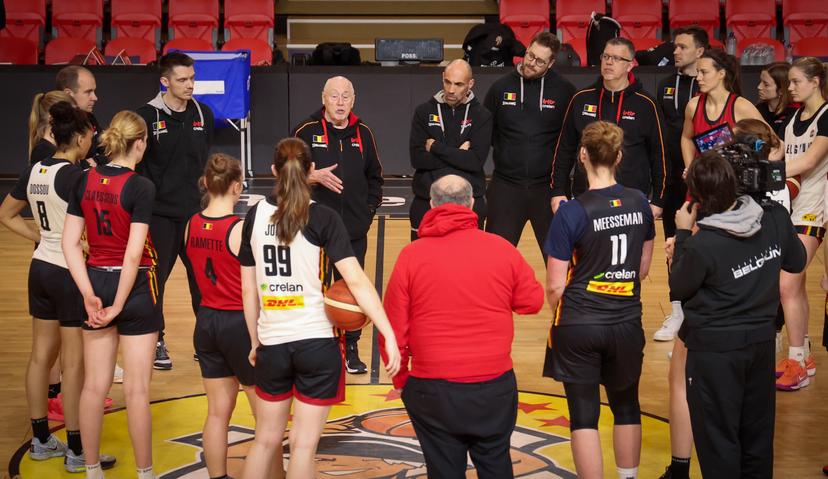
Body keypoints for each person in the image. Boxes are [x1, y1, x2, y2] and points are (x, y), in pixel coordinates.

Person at [238, 138, 400, 479]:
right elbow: (355, 280)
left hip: (273, 342)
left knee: (265, 441)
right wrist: (387, 331)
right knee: (302, 446)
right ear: (312, 171)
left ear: (272, 172)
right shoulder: (323, 217)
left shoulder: (254, 215)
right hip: (315, 342)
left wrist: (255, 341)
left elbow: (248, 289)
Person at [380, 174, 543, 477]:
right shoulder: (502, 249)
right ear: (472, 204)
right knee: (496, 465)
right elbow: (532, 302)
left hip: (432, 389)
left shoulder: (410, 256)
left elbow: (391, 330)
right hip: (493, 386)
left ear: (431, 205)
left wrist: (401, 381)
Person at [669, 151, 806, 478]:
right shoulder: (772, 218)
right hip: (760, 348)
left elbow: (679, 287)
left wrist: (684, 234)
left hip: (715, 355)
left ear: (698, 198)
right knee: (757, 442)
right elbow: (796, 262)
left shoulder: (703, 245)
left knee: (719, 443)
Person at [0, 101, 116, 473]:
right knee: (72, 364)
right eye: (89, 138)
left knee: (39, 357)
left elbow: (5, 214)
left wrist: (38, 235)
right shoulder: (76, 176)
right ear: (79, 137)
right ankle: (77, 448)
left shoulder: (36, 168)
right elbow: (94, 228)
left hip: (40, 268)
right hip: (68, 273)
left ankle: (40, 440)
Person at [545, 121, 655, 479]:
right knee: (626, 406)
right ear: (619, 156)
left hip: (578, 323)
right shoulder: (640, 203)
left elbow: (554, 287)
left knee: (583, 414)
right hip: (625, 321)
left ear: (582, 156)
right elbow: (641, 268)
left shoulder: (571, 212)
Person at [62, 110, 160, 479]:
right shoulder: (141, 186)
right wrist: (119, 303)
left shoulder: (83, 179)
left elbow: (70, 243)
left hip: (94, 282)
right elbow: (134, 253)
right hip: (132, 288)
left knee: (94, 385)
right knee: (136, 390)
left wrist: (89, 293)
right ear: (141, 144)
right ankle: (145, 473)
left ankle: (90, 470)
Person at [185, 154, 274, 479]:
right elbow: (253, 289)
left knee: (217, 414)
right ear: (238, 187)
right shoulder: (238, 229)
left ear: (206, 183)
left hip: (206, 321)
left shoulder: (190, 224)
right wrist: (255, 339)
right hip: (238, 323)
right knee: (267, 421)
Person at [292, 75, 382, 375]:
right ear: (324, 98)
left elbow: (375, 179)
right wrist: (311, 177)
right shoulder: (305, 132)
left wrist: (367, 213)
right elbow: (284, 176)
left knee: (352, 290)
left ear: (353, 100)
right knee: (314, 289)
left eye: (346, 96)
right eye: (334, 96)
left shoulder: (364, 133)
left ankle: (351, 345)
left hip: (353, 231)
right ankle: (317, 347)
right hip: (313, 231)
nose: (340, 102)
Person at [136, 52, 215, 371]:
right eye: (182, 80)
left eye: (193, 78)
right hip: (159, 216)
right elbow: (138, 167)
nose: (190, 85)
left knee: (204, 283)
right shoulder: (145, 116)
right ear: (164, 81)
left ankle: (206, 343)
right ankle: (157, 340)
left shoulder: (204, 113)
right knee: (156, 282)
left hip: (195, 216)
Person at [551, 37, 666, 222]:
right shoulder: (581, 99)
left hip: (632, 199)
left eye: (616, 58)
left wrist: (659, 199)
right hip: (586, 197)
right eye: (606, 56)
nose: (609, 62)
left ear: (630, 65)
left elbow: (660, 155)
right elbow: (563, 149)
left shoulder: (647, 104)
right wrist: (557, 191)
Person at [483, 32, 575, 259]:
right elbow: (488, 135)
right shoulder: (499, 88)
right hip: (506, 186)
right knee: (494, 260)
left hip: (548, 189)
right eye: (530, 55)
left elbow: (570, 141)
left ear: (552, 63)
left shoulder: (565, 91)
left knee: (560, 261)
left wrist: (560, 187)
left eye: (540, 61)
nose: (531, 63)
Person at [775, 57, 828, 390]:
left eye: (795, 82)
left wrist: (770, 172)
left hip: (814, 207)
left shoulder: (826, 116)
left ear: (816, 81)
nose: (790, 88)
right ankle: (801, 356)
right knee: (793, 285)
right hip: (792, 206)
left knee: (787, 283)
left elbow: (809, 161)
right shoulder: (793, 118)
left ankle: (796, 358)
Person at [653, 27, 706, 346]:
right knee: (674, 244)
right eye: (675, 47)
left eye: (683, 47)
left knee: (705, 245)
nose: (675, 52)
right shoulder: (664, 85)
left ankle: (702, 309)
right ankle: (677, 310)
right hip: (673, 180)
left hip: (706, 182)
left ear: (700, 52)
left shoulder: (708, 86)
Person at [409, 59, 492, 240]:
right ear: (442, 78)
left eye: (458, 84)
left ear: (470, 84)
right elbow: (417, 159)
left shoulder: (482, 115)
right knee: (425, 264)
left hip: (468, 203)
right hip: (427, 201)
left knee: (467, 265)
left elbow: (475, 161)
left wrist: (436, 147)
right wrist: (459, 153)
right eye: (448, 82)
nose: (451, 90)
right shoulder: (423, 112)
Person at [679, 49, 768, 170]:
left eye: (704, 72)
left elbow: (776, 144)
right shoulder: (693, 106)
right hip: (700, 182)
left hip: (730, 183)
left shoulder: (741, 106)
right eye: (698, 72)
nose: (698, 77)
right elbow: (686, 138)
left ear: (721, 74)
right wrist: (689, 168)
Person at [55, 66, 103, 166]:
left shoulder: (90, 119)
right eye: (88, 92)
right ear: (68, 94)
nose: (95, 98)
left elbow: (106, 150)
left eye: (94, 91)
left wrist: (97, 161)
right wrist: (86, 164)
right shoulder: (53, 125)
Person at [28, 90, 74, 165]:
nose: (75, 123)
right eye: (69, 117)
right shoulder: (43, 151)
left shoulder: (56, 149)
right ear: (52, 119)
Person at [756, 62, 799, 136]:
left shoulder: (795, 113)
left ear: (781, 90)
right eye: (760, 81)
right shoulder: (757, 109)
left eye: (766, 84)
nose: (759, 87)